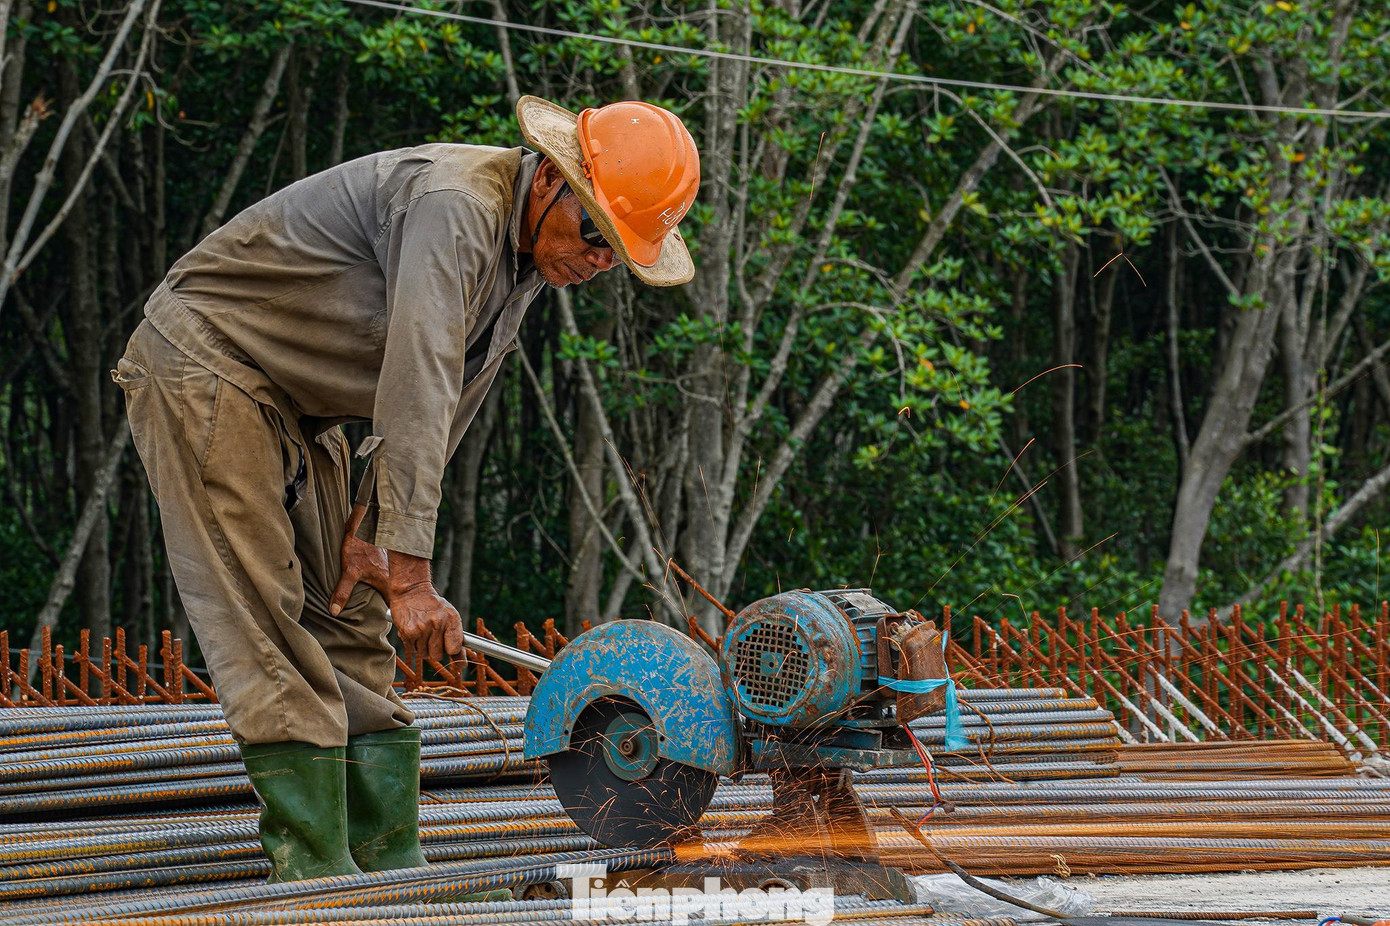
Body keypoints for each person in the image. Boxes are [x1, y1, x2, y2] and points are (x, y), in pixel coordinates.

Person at [111, 96, 700, 882]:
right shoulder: (455, 206)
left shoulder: (525, 259)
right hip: (211, 367)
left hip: (298, 404)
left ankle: (391, 859)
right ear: (555, 182)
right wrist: (413, 572)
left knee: (352, 610)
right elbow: (417, 381)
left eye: (616, 254)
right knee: (267, 621)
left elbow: (450, 405)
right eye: (597, 234)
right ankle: (318, 871)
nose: (598, 262)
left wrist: (375, 534)